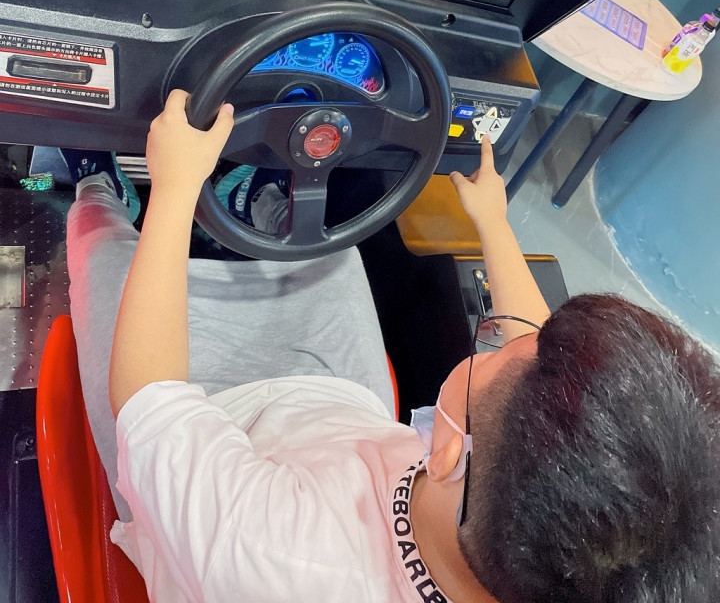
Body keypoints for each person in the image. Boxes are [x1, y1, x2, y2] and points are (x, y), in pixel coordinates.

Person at [64, 89, 720, 602]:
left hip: (213, 442)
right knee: (328, 251)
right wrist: (492, 220)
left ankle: (97, 191)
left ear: (447, 451)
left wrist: (176, 185)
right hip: (338, 415)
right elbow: (534, 370)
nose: (511, 338)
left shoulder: (273, 551)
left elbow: (149, 399)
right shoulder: (519, 525)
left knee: (105, 254)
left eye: (493, 355)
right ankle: (261, 208)